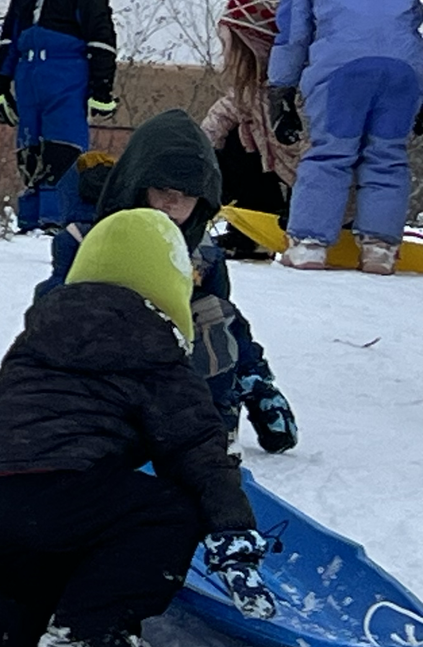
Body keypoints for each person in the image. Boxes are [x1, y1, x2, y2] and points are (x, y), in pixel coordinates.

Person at [0, 208, 276, 647]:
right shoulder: (155, 350)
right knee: (171, 511)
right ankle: (94, 630)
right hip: (57, 491)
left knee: (65, 586)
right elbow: (199, 450)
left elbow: (2, 404)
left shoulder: (43, 331)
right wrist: (232, 534)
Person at [35, 110, 297, 454]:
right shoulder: (90, 236)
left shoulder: (202, 255)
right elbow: (50, 313)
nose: (173, 203)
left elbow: (228, 322)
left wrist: (257, 381)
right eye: (163, 189)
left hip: (169, 380)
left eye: (186, 195)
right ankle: (39, 418)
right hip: (95, 369)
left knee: (212, 312)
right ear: (138, 184)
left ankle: (206, 433)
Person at [269, 0, 423, 274]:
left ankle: (308, 244)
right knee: (387, 156)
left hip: (340, 73)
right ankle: (379, 250)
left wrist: (281, 90)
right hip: (403, 74)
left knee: (331, 152)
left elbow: (293, 36)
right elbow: (411, 31)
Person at [0, 0, 118, 229]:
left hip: (66, 82)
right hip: (29, 80)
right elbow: (9, 42)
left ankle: (58, 217)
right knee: (29, 147)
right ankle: (31, 216)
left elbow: (101, 41)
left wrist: (101, 88)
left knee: (62, 146)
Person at [200, 0, 296, 241]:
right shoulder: (251, 89)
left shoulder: (300, 92)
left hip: (322, 194)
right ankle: (251, 223)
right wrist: (203, 151)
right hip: (280, 173)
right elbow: (222, 114)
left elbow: (327, 159)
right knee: (232, 137)